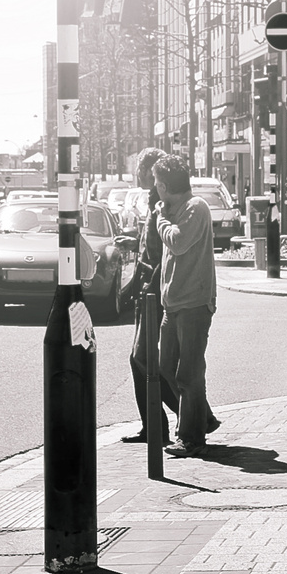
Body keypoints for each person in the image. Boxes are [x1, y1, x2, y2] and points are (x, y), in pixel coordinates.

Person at [153, 153, 219, 457]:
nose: (154, 187)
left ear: (164, 185)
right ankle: (202, 417)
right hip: (173, 304)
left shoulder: (195, 208)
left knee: (189, 373)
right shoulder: (171, 207)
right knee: (166, 366)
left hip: (194, 303)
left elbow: (177, 242)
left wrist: (160, 219)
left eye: (156, 182)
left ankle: (191, 437)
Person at [120, 148, 179, 445]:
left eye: (140, 171)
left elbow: (163, 249)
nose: (138, 176)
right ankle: (155, 426)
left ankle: (188, 414)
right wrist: (133, 242)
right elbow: (151, 243)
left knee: (142, 359)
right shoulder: (151, 200)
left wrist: (150, 287)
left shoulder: (161, 202)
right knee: (142, 360)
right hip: (147, 287)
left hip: (153, 290)